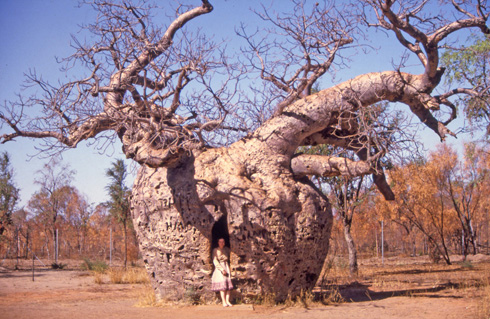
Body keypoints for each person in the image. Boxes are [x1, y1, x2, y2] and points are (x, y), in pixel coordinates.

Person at [211, 238, 234, 307]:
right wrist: (221, 269)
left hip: (226, 266)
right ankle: (223, 301)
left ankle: (227, 301)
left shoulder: (226, 249)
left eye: (223, 242)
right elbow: (215, 260)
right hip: (220, 268)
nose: (221, 243)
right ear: (218, 242)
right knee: (222, 285)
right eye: (220, 242)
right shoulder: (215, 250)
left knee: (228, 285)